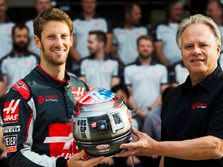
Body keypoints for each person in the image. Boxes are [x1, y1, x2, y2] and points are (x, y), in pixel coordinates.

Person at [116, 14, 223, 167]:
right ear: (182, 53)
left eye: (203, 45)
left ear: (218, 50)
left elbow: (215, 147)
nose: (196, 51)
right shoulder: (173, 96)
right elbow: (166, 155)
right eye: (188, 46)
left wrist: (154, 147)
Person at [0, 8, 104, 167]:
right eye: (51, 37)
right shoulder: (21, 93)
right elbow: (16, 156)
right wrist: (64, 165)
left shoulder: (83, 89)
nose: (59, 43)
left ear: (71, 40)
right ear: (37, 41)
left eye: (64, 36)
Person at [124, 35, 168, 123]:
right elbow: (127, 94)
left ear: (153, 49)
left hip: (156, 113)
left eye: (148, 46)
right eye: (142, 46)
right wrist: (139, 111)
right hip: (135, 115)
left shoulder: (161, 68)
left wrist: (149, 110)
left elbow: (164, 94)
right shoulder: (128, 69)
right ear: (137, 48)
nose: (145, 48)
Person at [112, 2, 148, 66]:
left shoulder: (144, 30)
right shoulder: (115, 31)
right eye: (137, 14)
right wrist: (120, 65)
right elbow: (113, 50)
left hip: (140, 66)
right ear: (127, 15)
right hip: (121, 67)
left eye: (140, 14)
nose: (140, 16)